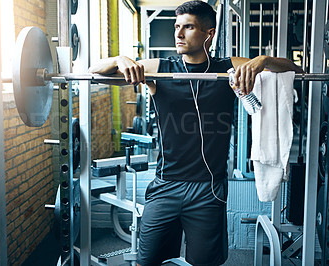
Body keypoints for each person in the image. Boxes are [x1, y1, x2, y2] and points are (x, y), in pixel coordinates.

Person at [89, 1, 303, 265]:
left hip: (208, 188)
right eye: (176, 26)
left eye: (188, 27)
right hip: (166, 185)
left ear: (208, 34)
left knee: (205, 262)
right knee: (148, 260)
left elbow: (296, 71)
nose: (178, 34)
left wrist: (264, 60)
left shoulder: (229, 67)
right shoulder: (160, 68)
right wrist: (119, 59)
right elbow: (93, 72)